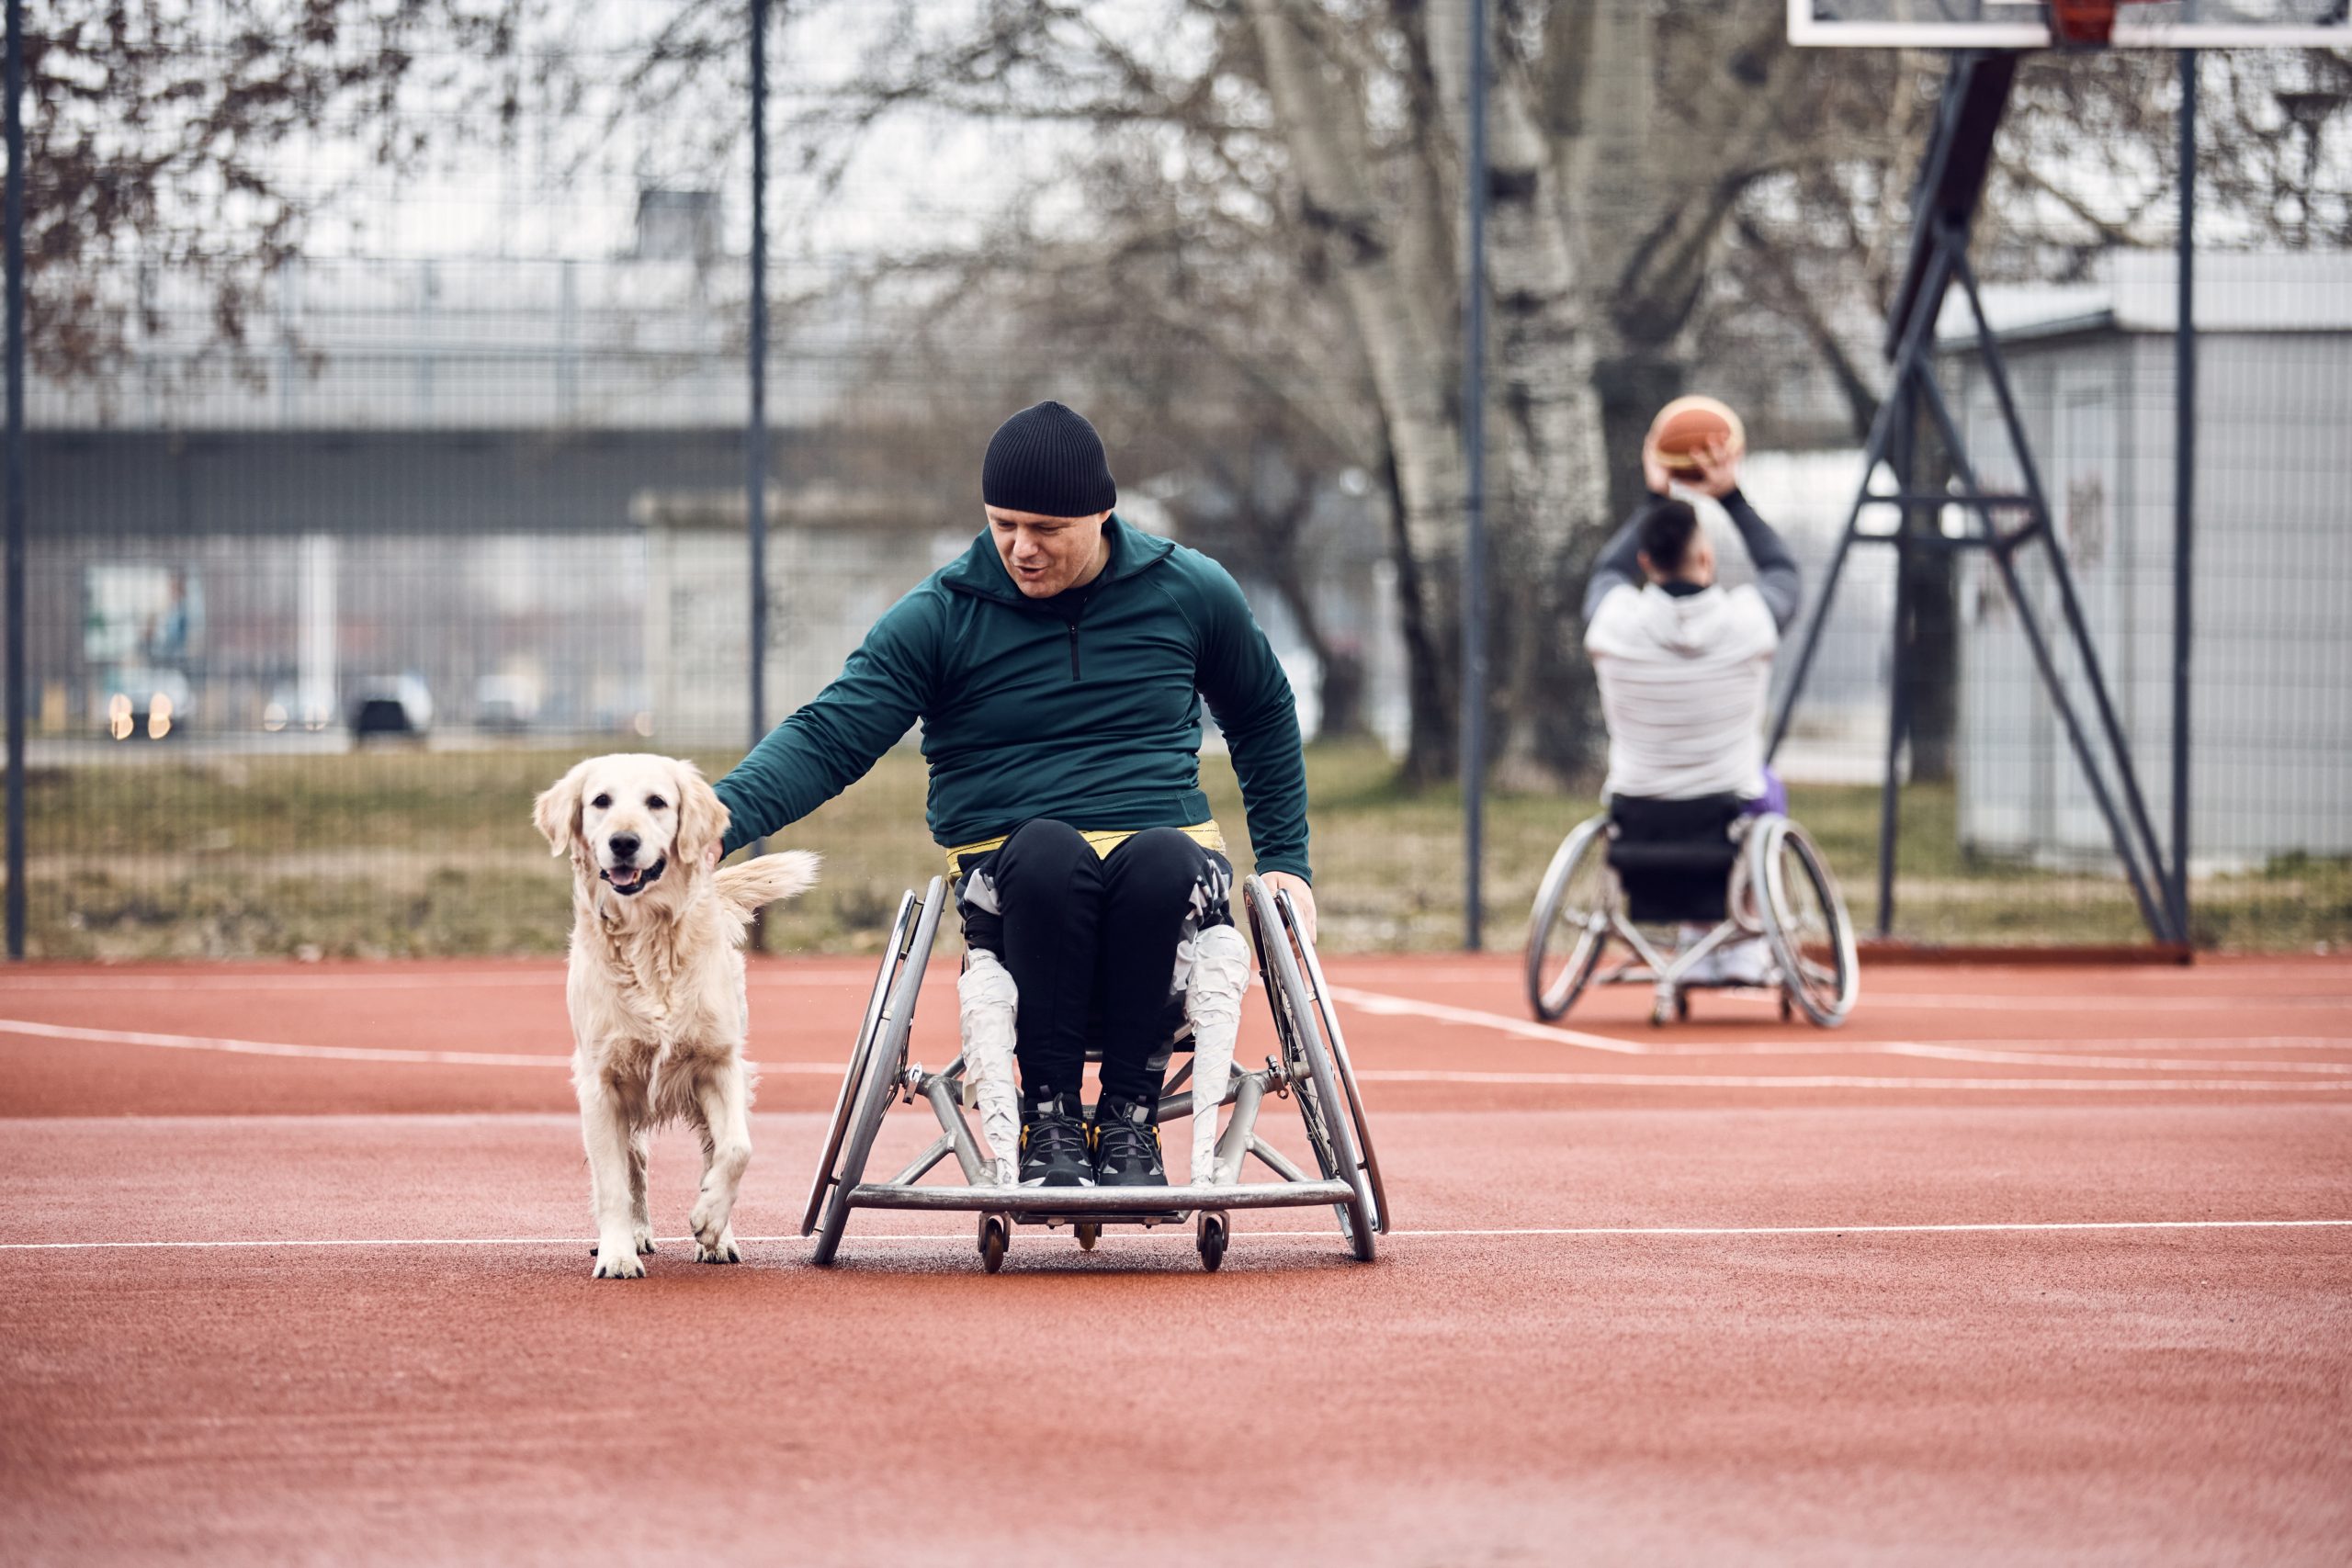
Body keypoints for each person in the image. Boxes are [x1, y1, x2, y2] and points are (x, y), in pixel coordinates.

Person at [708, 400, 1314, 1190]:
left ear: (1102, 514)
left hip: (1169, 887)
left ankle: (1131, 1121)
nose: (1021, 549)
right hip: (1017, 883)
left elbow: (1264, 713)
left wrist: (1287, 860)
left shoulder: (1190, 590)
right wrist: (710, 823)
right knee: (1048, 850)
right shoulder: (942, 614)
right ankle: (1050, 1115)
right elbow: (831, 735)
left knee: (1164, 853)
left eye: (1045, 529)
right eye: (1003, 525)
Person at [1582, 414, 1802, 982]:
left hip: (1637, 814)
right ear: (1707, 560)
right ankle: (1742, 939)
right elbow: (1782, 570)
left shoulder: (1613, 624)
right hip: (1726, 816)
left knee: (1730, 788)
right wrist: (1728, 494)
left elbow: (1606, 570)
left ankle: (1693, 934)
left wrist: (1654, 495)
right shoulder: (1748, 623)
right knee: (1767, 784)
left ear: (1646, 564)